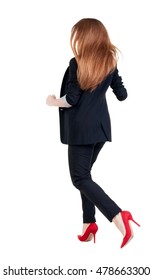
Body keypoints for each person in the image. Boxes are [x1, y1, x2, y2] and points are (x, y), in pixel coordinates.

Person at [46, 18, 140, 248]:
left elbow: (71, 99)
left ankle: (118, 216)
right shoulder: (110, 61)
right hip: (100, 130)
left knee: (79, 178)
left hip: (80, 132)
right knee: (85, 176)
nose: (75, 40)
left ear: (84, 38)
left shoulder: (76, 63)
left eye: (78, 35)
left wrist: (52, 102)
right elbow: (122, 94)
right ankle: (89, 224)